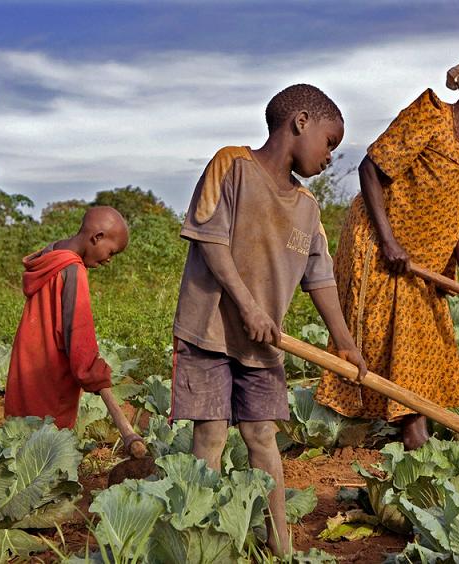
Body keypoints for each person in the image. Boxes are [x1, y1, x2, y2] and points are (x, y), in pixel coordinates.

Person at [171, 84, 367, 557]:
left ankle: (280, 544)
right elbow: (210, 240)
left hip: (262, 345)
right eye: (329, 142)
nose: (329, 158)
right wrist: (248, 306)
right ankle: (205, 541)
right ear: (300, 122)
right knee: (211, 435)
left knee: (262, 436)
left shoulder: (308, 208)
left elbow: (320, 280)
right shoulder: (232, 165)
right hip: (209, 330)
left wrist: (343, 342)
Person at [316, 52, 459, 450]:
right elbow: (370, 169)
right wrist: (389, 241)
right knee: (382, 331)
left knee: (425, 336)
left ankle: (406, 421)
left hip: (427, 260)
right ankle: (405, 426)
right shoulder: (429, 117)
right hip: (379, 243)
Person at [4, 206, 129, 429]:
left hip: (25, 370)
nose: (109, 260)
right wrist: (94, 372)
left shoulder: (49, 256)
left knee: (19, 441)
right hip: (51, 378)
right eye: (111, 252)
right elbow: (78, 333)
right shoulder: (73, 270)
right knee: (47, 448)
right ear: (97, 237)